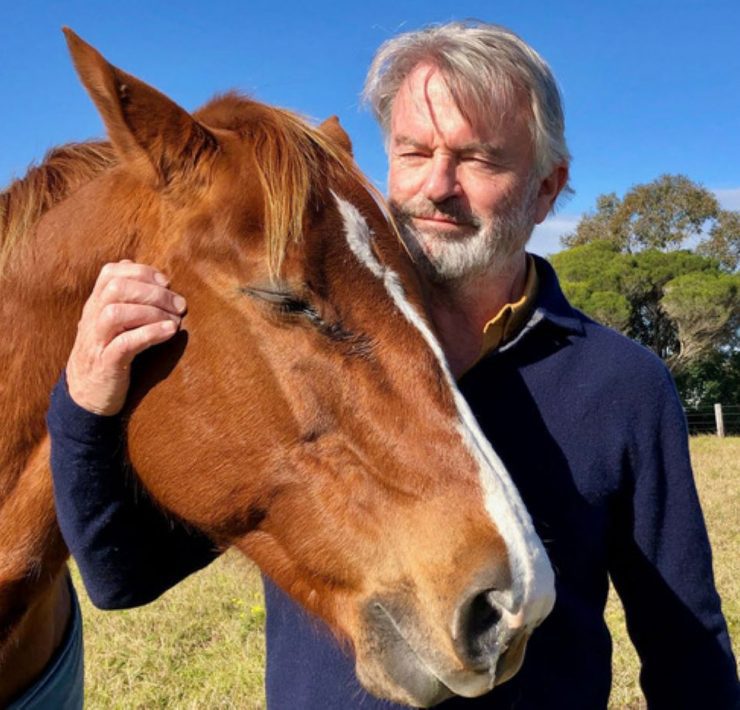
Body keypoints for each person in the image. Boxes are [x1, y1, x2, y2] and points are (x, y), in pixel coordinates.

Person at [48, 21, 738, 709]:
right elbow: (121, 576)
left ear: (546, 189)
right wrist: (84, 400)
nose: (438, 186)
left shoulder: (622, 385)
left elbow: (687, 647)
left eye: (480, 160)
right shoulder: (304, 344)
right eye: (413, 152)